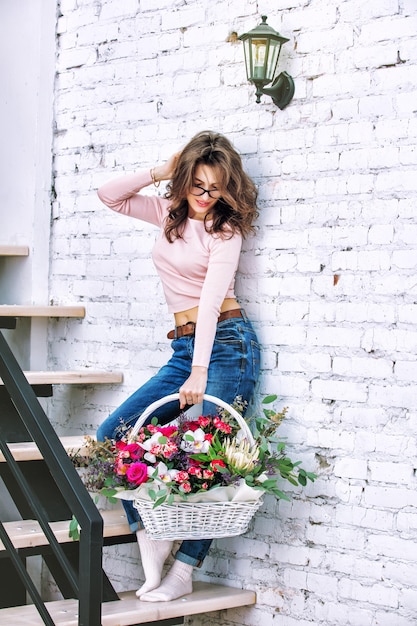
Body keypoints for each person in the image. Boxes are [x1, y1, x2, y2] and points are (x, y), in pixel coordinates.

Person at [96, 130, 260, 602]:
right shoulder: (169, 213)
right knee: (115, 433)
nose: (207, 198)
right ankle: (152, 538)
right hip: (184, 348)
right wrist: (160, 173)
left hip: (229, 346)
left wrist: (200, 373)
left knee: (217, 460)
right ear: (185, 179)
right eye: (198, 186)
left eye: (217, 189)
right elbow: (110, 196)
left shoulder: (224, 231)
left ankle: (183, 572)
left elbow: (209, 305)